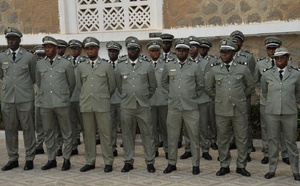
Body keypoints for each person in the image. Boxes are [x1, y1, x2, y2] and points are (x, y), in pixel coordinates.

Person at [205, 38, 254, 177]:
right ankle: (224, 165)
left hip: (239, 109)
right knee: (223, 138)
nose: (224, 55)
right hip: (222, 109)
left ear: (233, 53)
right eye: (222, 52)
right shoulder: (214, 70)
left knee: (242, 138)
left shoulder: (242, 68)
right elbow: (208, 87)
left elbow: (250, 86)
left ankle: (241, 165)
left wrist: (240, 97)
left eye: (227, 52)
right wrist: (220, 97)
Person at [162, 38, 204, 175]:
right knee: (173, 137)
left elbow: (200, 84)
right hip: (174, 107)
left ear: (188, 51)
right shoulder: (169, 66)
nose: (181, 52)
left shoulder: (195, 66)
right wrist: (172, 95)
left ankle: (196, 165)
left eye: (184, 50)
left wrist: (191, 96)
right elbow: (164, 83)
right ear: (176, 51)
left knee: (193, 137)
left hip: (190, 108)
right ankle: (172, 163)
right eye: (179, 50)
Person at [115, 36, 157, 173]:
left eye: (135, 49)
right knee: (127, 134)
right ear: (127, 50)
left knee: (148, 134)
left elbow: (153, 85)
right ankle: (128, 161)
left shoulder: (147, 65)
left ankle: (150, 162)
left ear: (139, 50)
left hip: (143, 105)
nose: (132, 51)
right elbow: (118, 85)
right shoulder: (120, 66)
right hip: (127, 105)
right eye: (130, 49)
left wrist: (143, 96)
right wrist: (128, 95)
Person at [36, 36, 75, 171]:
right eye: (45, 47)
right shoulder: (40, 64)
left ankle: (66, 158)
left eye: (50, 47)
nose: (47, 49)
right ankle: (51, 159)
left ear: (56, 48)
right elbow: (39, 82)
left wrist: (63, 95)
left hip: (62, 102)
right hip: (45, 103)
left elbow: (72, 83)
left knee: (66, 131)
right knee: (48, 132)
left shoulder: (65, 63)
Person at [0, 27, 37, 171]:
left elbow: (33, 76)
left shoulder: (29, 56)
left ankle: (29, 158)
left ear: (19, 40)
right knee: (10, 129)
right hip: (8, 98)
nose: (11, 41)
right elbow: (2, 76)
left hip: (25, 98)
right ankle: (13, 158)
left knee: (28, 128)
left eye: (13, 39)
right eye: (8, 39)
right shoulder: (2, 56)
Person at [77, 37, 116, 172]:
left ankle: (108, 162)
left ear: (98, 49)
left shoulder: (106, 66)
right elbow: (79, 85)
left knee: (106, 134)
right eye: (87, 48)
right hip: (87, 104)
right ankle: (90, 161)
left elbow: (112, 86)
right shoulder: (81, 66)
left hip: (102, 105)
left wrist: (102, 96)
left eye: (92, 48)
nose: (90, 50)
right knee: (89, 135)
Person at [261, 47, 300, 181]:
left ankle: (295, 170)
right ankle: (272, 169)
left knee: (291, 142)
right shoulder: (267, 74)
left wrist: (290, 103)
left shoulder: (296, 74)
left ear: (288, 58)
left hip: (289, 113)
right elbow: (264, 92)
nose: (279, 60)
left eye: (282, 57)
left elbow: (298, 93)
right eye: (277, 58)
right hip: (272, 113)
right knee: (273, 141)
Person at [255, 36, 289, 165]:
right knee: (266, 128)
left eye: (274, 48)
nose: (272, 51)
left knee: (283, 128)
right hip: (266, 102)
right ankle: (267, 153)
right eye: (269, 48)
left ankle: (285, 153)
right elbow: (256, 81)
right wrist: (261, 94)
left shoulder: (288, 62)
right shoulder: (260, 63)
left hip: (282, 101)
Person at [180, 36, 213, 161]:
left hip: (201, 98)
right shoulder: (183, 62)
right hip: (187, 100)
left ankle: (205, 149)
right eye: (190, 47)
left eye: (194, 47)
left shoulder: (205, 63)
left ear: (198, 49)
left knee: (203, 126)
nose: (192, 49)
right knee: (187, 127)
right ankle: (189, 149)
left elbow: (205, 81)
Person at [230, 30, 256, 161]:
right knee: (229, 121)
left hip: (243, 96)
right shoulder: (224, 56)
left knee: (244, 122)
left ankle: (247, 150)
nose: (235, 43)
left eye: (237, 41)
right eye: (233, 40)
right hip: (229, 96)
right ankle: (231, 144)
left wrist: (244, 95)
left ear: (241, 43)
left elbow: (251, 80)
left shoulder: (248, 58)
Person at [147, 40, 168, 159]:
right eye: (152, 51)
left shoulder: (166, 65)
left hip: (163, 101)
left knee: (165, 127)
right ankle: (154, 149)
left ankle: (168, 149)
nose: (155, 53)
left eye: (156, 50)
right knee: (152, 128)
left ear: (159, 52)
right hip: (150, 101)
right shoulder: (145, 65)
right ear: (149, 52)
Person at [199, 38, 218, 150]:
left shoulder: (214, 61)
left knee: (212, 120)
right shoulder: (193, 61)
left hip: (210, 96)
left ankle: (214, 140)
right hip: (199, 96)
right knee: (201, 122)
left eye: (205, 48)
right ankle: (203, 141)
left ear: (208, 49)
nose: (202, 50)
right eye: (201, 48)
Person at [68, 39, 86, 155]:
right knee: (71, 124)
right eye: (72, 48)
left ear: (80, 50)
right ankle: (73, 146)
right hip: (69, 98)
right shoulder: (65, 61)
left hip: (81, 98)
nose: (74, 50)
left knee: (85, 125)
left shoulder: (85, 62)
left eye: (76, 48)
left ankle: (89, 148)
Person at [106, 41, 123, 157]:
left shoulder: (123, 65)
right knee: (110, 126)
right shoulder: (104, 65)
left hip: (122, 100)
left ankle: (127, 146)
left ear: (118, 52)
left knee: (126, 126)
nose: (112, 54)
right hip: (110, 100)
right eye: (110, 51)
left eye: (114, 51)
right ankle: (112, 148)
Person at [33, 45, 46, 155]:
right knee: (38, 124)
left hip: (50, 99)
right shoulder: (32, 67)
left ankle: (57, 146)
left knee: (53, 124)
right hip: (37, 99)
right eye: (38, 54)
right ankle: (39, 145)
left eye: (42, 54)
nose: (40, 57)